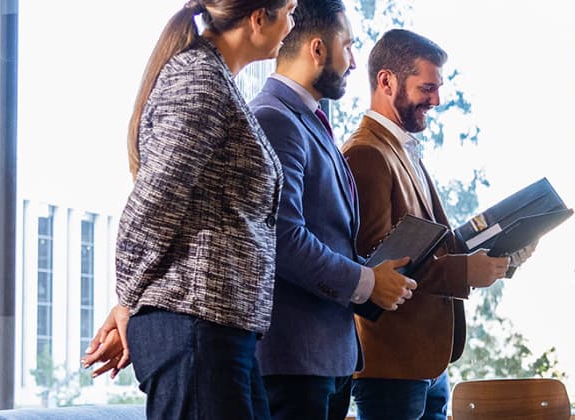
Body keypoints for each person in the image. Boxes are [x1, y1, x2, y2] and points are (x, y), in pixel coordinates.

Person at [80, 0, 295, 418]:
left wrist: (131, 300)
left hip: (217, 328)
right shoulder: (199, 80)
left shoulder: (216, 80)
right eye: (289, 9)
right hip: (195, 327)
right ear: (257, 19)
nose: (293, 22)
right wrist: (128, 301)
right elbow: (152, 204)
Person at [341, 29, 527, 420]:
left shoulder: (403, 150)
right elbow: (377, 265)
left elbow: (429, 246)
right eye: (427, 87)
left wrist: (497, 256)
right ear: (386, 80)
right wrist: (464, 271)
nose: (437, 100)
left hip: (427, 365)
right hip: (391, 369)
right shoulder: (366, 153)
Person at [249, 0, 418, 418]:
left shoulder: (308, 120)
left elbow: (327, 234)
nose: (353, 60)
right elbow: (283, 239)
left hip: (326, 359)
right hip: (294, 361)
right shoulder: (274, 119)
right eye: (349, 45)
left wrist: (377, 277)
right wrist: (365, 281)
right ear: (318, 50)